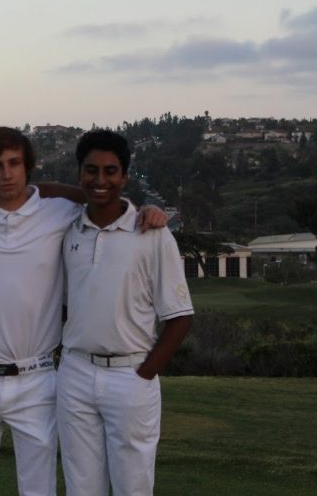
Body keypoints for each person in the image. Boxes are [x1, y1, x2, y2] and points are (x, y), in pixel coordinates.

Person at [0, 127, 168, 496]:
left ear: (28, 166)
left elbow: (99, 201)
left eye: (15, 164)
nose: (7, 174)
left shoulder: (59, 214)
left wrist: (142, 208)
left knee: (39, 488)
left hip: (36, 378)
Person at [57, 129, 193, 496]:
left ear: (125, 176)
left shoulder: (152, 233)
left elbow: (180, 316)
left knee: (133, 485)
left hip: (130, 375)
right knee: (81, 486)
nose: (100, 180)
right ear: (79, 174)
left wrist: (145, 373)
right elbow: (34, 191)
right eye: (91, 171)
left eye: (110, 171)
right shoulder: (69, 228)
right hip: (75, 372)